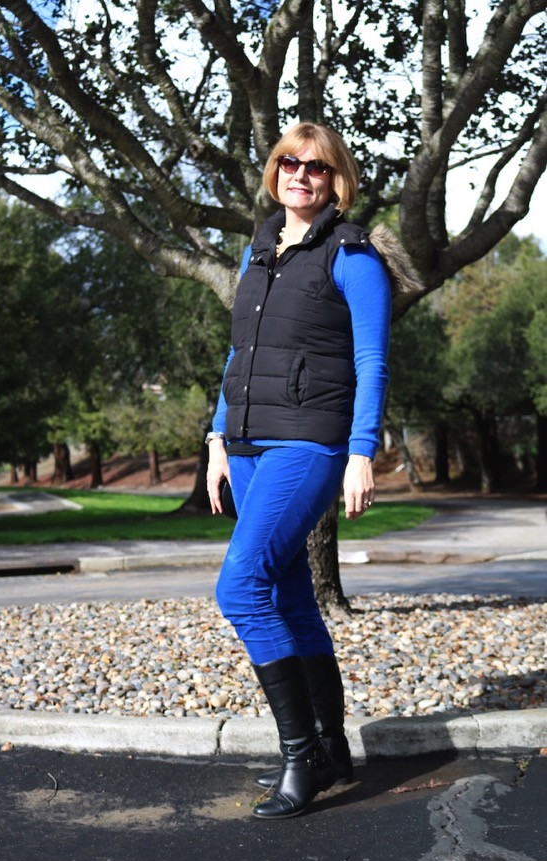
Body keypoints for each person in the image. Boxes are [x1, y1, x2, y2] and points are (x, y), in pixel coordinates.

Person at [206, 122, 419, 820]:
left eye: (317, 167)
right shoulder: (257, 251)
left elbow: (373, 362)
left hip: (309, 442)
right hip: (246, 444)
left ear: (337, 181)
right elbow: (240, 354)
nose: (301, 175)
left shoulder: (352, 254)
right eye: (289, 163)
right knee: (290, 594)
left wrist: (361, 453)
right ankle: (332, 744)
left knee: (240, 588)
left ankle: (301, 758)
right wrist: (216, 437)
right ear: (274, 171)